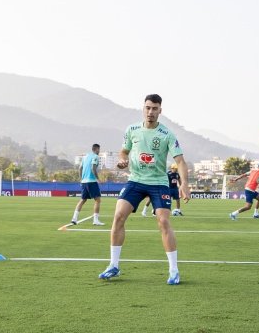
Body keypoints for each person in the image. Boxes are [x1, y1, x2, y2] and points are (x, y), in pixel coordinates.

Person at [98, 94, 190, 285]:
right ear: (143, 108)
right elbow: (124, 151)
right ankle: (113, 265)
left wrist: (184, 184)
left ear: (160, 111)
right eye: (148, 108)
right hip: (136, 180)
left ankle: (174, 270)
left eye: (154, 108)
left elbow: (180, 161)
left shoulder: (167, 134)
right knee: (118, 216)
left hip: (158, 182)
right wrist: (122, 160)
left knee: (163, 221)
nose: (150, 112)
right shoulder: (132, 130)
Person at [71, 143, 104, 226]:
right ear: (96, 149)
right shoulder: (95, 156)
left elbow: (80, 168)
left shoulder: (85, 157)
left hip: (84, 182)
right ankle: (95, 220)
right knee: (98, 200)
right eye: (99, 150)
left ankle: (74, 218)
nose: (99, 151)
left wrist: (81, 179)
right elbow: (93, 168)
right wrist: (98, 179)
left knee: (83, 200)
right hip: (91, 181)